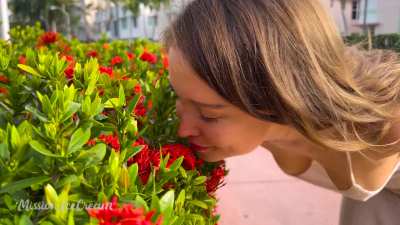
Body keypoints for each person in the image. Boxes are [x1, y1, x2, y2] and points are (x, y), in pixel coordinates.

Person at [161, 0, 400, 224]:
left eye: (209, 115)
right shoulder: (269, 120)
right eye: (179, 98)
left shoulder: (388, 124)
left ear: (279, 96)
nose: (183, 129)